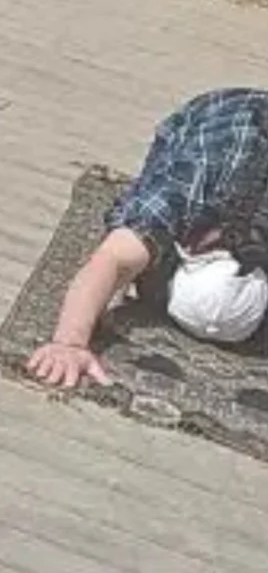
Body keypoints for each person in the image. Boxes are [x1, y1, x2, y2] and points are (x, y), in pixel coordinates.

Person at [26, 87, 268, 389]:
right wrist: (69, 343)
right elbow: (112, 258)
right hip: (216, 119)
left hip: (230, 148)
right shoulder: (184, 196)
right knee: (206, 295)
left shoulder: (194, 201)